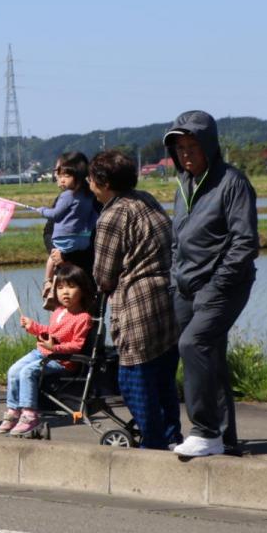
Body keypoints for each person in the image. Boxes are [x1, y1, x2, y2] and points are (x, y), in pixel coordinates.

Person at [163, 111, 259, 458]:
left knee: (194, 344)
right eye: (180, 148)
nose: (186, 154)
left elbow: (245, 242)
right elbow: (177, 240)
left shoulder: (232, 183)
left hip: (222, 286)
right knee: (210, 357)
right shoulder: (184, 185)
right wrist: (174, 280)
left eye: (193, 146)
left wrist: (217, 284)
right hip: (185, 287)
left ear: (209, 145)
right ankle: (224, 440)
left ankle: (204, 431)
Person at [89, 149, 182, 450]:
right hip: (168, 297)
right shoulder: (146, 199)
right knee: (164, 378)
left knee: (134, 380)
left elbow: (104, 275)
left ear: (103, 182)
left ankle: (152, 444)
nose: (89, 184)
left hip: (137, 303)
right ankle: (172, 436)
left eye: (91, 179)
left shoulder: (112, 215)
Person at [0, 263, 95, 437]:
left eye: (71, 287)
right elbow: (49, 333)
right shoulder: (58, 311)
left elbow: (77, 345)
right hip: (43, 353)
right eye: (60, 288)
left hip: (62, 361)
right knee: (14, 370)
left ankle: (30, 415)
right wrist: (33, 327)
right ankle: (13, 411)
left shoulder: (83, 318)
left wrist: (55, 348)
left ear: (83, 290)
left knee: (28, 372)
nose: (65, 292)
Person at [39, 152, 97, 291]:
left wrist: (66, 256)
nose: (58, 176)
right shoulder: (65, 197)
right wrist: (56, 253)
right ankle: (48, 282)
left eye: (63, 173)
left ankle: (47, 281)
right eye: (57, 172)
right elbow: (48, 231)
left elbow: (97, 237)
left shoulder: (94, 198)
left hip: (86, 274)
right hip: (63, 273)